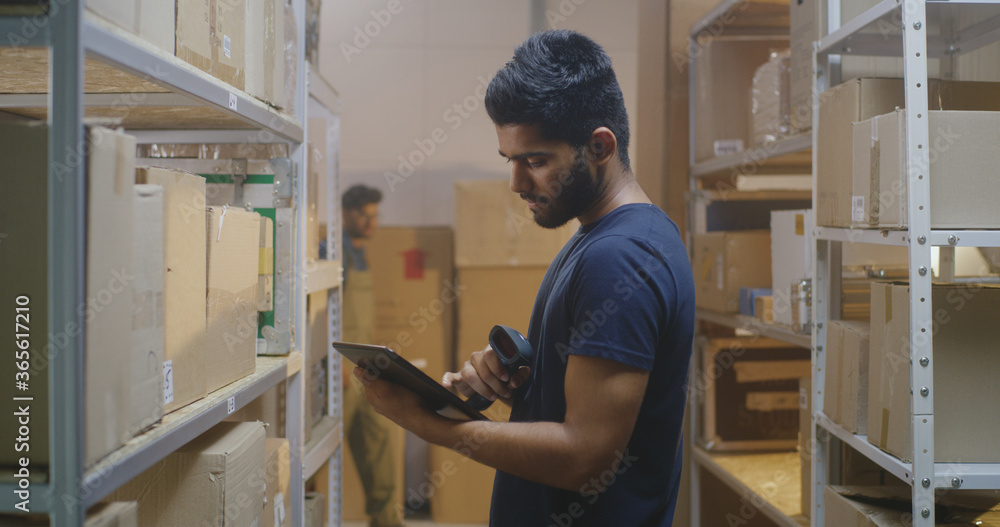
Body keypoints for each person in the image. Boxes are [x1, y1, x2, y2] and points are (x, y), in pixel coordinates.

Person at [356, 30, 695, 527]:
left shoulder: (621, 257)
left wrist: (430, 425)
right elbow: (589, 409)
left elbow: (585, 457)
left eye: (535, 161)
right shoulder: (600, 238)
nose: (516, 183)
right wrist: (523, 386)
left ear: (600, 146)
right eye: (509, 160)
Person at [339, 184, 404, 527]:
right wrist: (333, 365)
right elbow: (320, 314)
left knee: (377, 443)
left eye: (375, 215)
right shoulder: (336, 254)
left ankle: (386, 521)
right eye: (365, 215)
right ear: (347, 214)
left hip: (363, 368)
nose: (371, 222)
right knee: (328, 446)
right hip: (339, 373)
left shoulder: (360, 253)